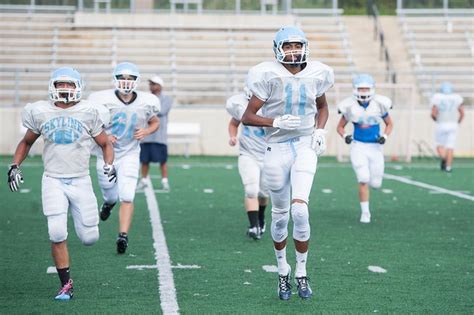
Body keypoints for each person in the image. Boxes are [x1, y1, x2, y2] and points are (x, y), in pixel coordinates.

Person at [241, 26, 334, 300]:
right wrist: (274, 121)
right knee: (280, 216)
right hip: (276, 146)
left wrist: (320, 130)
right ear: (278, 49)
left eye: (297, 45)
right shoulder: (266, 74)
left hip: (304, 144)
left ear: (304, 46)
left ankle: (302, 272)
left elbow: (323, 106)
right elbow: (248, 116)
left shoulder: (318, 72)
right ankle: (283, 271)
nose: (293, 51)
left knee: (300, 211)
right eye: (288, 46)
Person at [7, 67, 116, 300]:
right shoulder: (40, 111)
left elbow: (106, 144)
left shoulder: (90, 111)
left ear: (78, 87)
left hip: (80, 179)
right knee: (56, 231)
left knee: (90, 238)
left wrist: (109, 165)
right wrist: (15, 165)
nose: (64, 89)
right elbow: (26, 142)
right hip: (53, 179)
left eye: (69, 84)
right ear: (53, 87)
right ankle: (66, 284)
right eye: (60, 85)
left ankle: (86, 226)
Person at [87, 62, 160, 254]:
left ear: (136, 81)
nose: (126, 82)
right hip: (106, 155)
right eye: (122, 78)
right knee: (111, 195)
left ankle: (123, 235)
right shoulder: (101, 99)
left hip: (130, 153)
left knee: (127, 195)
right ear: (115, 79)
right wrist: (104, 136)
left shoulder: (147, 101)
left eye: (130, 78)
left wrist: (146, 131)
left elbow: (154, 121)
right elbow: (92, 125)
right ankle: (109, 204)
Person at [336, 74, 393, 224]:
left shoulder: (380, 104)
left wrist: (385, 137)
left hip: (375, 147)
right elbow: (340, 127)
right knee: (363, 178)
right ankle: (365, 212)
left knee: (376, 183)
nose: (363, 91)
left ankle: (370, 198)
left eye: (366, 88)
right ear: (355, 89)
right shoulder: (349, 106)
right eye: (360, 88)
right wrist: (345, 136)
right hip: (358, 146)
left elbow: (389, 124)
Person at [226, 92, 269, 240]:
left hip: (268, 156)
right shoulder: (244, 107)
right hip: (248, 154)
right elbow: (233, 123)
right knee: (251, 190)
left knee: (264, 194)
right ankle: (253, 225)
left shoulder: (273, 107)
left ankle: (261, 218)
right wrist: (232, 136)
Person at [138, 75, 173, 191]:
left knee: (162, 161)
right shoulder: (146, 98)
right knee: (144, 161)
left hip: (160, 137)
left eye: (153, 84)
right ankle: (143, 181)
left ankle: (165, 181)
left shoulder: (167, 99)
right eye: (150, 84)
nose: (151, 86)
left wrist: (148, 109)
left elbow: (161, 111)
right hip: (146, 136)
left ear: (160, 86)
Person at [430, 82, 464, 172]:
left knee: (439, 145)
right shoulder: (456, 98)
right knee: (450, 146)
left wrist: (436, 120)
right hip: (453, 124)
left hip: (441, 123)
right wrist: (458, 123)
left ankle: (444, 159)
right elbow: (462, 113)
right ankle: (448, 167)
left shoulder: (437, 97)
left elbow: (433, 113)